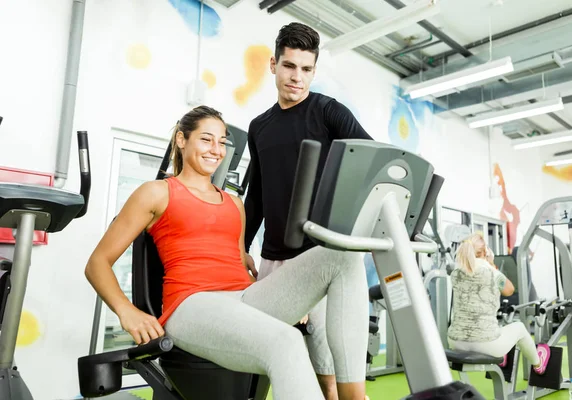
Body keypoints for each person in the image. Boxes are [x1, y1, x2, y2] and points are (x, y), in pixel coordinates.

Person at [83, 105, 369, 400]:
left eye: (222, 142)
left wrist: (296, 292)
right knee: (286, 340)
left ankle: (352, 396)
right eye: (206, 139)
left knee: (342, 256)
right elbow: (97, 263)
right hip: (191, 304)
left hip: (245, 299)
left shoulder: (235, 204)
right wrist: (127, 312)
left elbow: (232, 261)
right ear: (182, 140)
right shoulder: (157, 192)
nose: (216, 150)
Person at [243, 22, 373, 399]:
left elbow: (371, 164)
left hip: (319, 258)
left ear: (314, 70)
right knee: (265, 357)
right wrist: (241, 248)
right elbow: (258, 195)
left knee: (330, 371)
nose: (296, 78)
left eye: (305, 69)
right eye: (289, 66)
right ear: (273, 65)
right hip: (273, 261)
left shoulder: (329, 112)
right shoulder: (259, 127)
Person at [447, 233, 551, 375]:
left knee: (500, 327)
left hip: (455, 342)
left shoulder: (455, 272)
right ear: (485, 252)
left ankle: (502, 357)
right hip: (485, 345)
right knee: (519, 327)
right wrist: (491, 264)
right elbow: (509, 290)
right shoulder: (491, 272)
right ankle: (538, 364)